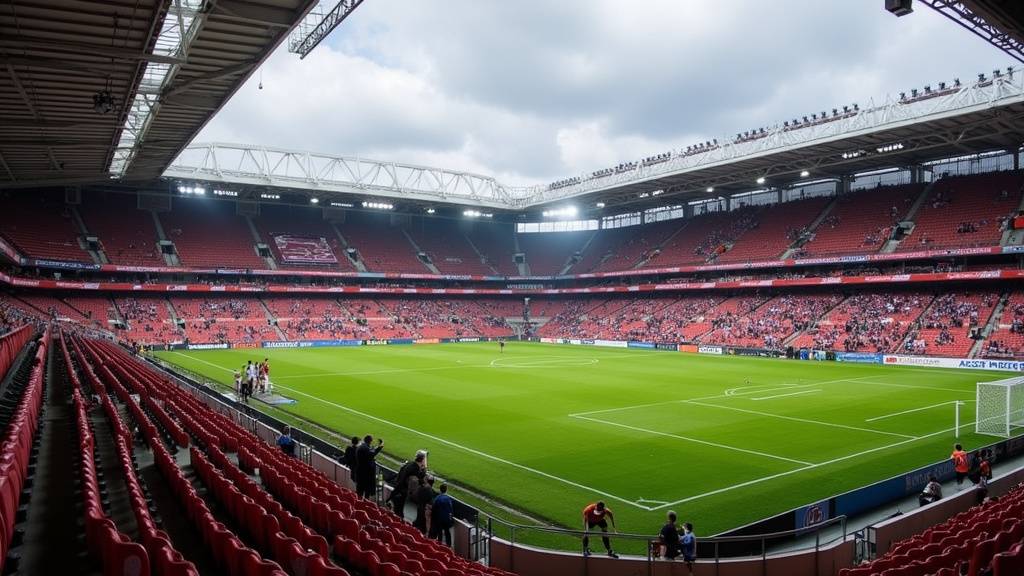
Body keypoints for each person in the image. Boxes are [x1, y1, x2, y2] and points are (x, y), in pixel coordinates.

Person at [389, 450, 427, 518]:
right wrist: (424, 468)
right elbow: (422, 478)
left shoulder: (409, 464)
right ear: (422, 460)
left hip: (398, 489)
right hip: (401, 491)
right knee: (398, 512)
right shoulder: (415, 469)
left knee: (397, 510)